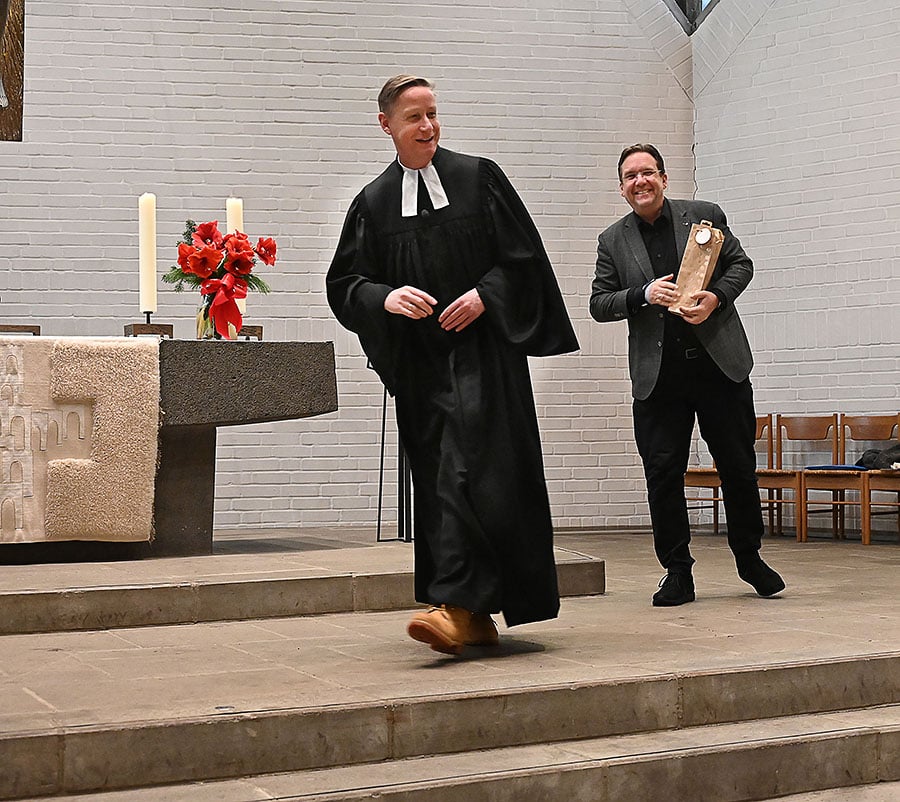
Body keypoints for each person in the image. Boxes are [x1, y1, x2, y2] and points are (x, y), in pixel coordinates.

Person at [327, 75, 579, 653]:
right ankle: (465, 609)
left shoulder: (478, 178)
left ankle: (463, 607)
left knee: (482, 478)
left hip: (488, 362)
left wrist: (486, 295)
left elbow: (524, 261)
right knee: (445, 478)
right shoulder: (373, 204)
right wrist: (385, 297)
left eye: (433, 114)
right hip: (424, 369)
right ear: (386, 125)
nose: (428, 126)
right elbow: (345, 283)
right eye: (414, 117)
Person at [590, 143, 784, 606]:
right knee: (662, 474)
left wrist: (716, 297)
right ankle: (677, 572)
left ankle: (749, 558)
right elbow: (599, 303)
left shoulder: (703, 215)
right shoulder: (612, 240)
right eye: (631, 176)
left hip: (720, 368)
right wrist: (641, 294)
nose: (641, 181)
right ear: (621, 188)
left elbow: (740, 265)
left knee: (738, 467)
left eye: (648, 172)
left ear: (663, 178)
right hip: (659, 379)